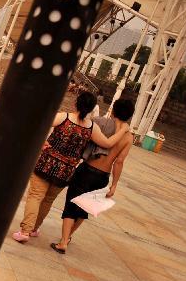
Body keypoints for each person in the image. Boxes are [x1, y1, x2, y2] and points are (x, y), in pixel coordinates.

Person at [12, 91, 130, 243]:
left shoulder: (64, 117)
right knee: (48, 200)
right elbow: (108, 143)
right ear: (92, 108)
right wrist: (123, 130)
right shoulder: (92, 127)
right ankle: (34, 228)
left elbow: (40, 124)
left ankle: (25, 231)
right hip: (66, 171)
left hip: (46, 163)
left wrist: (42, 142)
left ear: (76, 103)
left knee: (35, 196)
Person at [50, 99, 135, 254]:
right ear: (130, 115)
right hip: (103, 176)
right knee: (85, 208)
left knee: (71, 204)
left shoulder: (102, 124)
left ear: (113, 110)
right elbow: (119, 162)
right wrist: (114, 184)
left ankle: (63, 242)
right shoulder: (129, 137)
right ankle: (68, 237)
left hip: (87, 170)